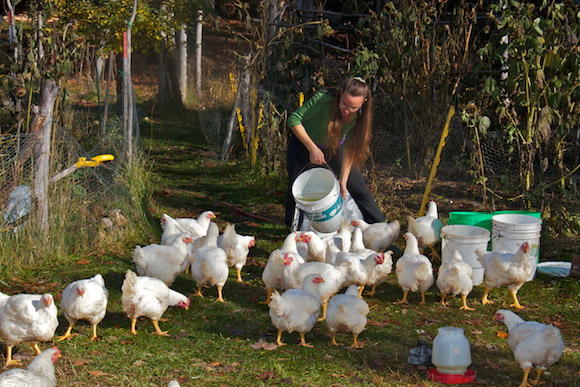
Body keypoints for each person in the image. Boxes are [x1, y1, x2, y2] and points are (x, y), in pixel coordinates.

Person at [285, 77, 385, 229]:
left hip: (332, 147)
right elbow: (294, 120)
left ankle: (381, 228)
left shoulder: (361, 117)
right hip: (303, 143)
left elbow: (350, 148)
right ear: (340, 93)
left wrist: (343, 180)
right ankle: (294, 231)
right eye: (344, 103)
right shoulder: (323, 100)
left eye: (353, 108)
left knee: (357, 186)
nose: (346, 110)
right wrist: (312, 149)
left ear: (363, 102)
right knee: (297, 188)